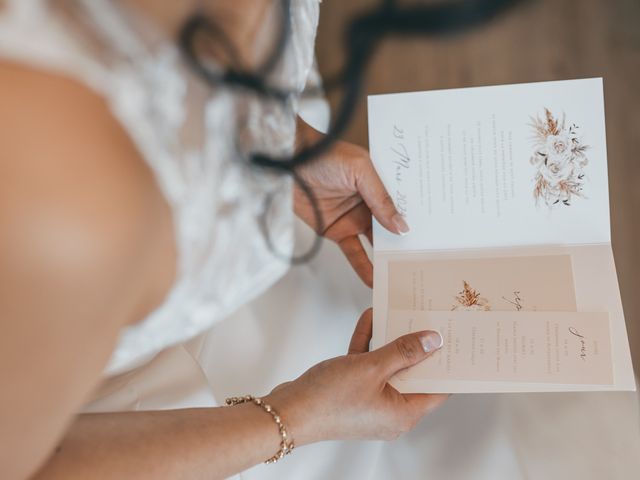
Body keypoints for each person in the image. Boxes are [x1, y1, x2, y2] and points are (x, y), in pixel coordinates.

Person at [0, 1, 448, 478]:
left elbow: (183, 76)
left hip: (242, 271)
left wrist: (278, 148)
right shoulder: (55, 210)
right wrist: (298, 417)